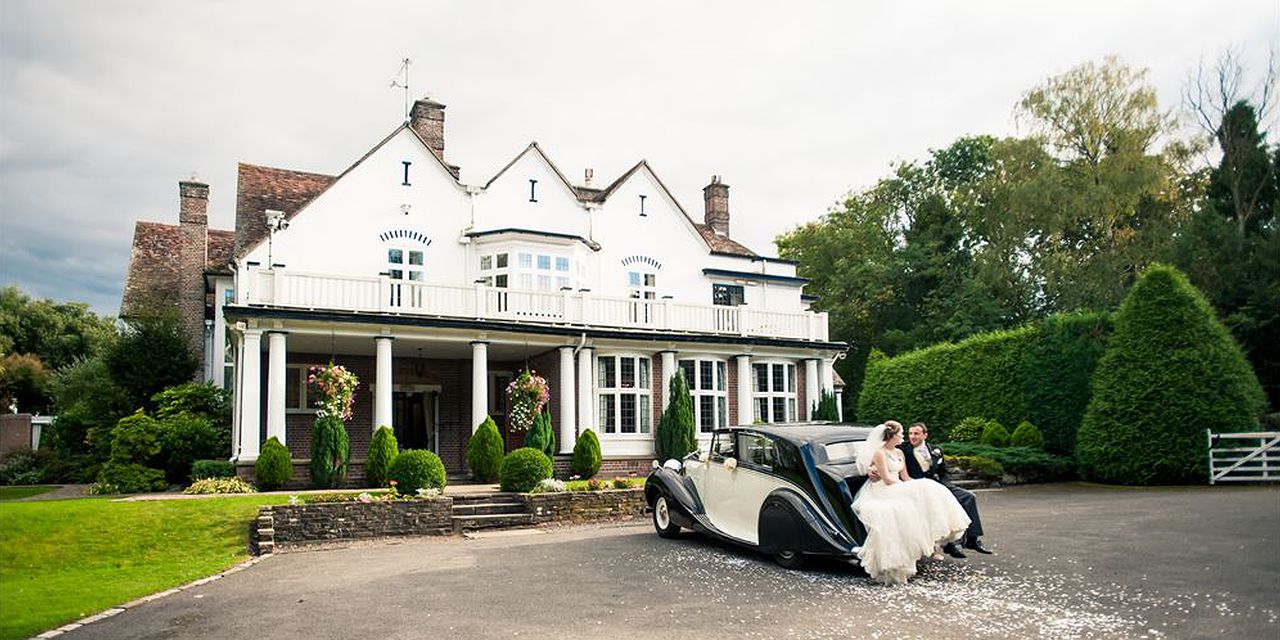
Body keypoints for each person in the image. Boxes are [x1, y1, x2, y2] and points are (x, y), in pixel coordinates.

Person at [851, 421, 971, 585]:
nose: (903, 436)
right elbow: (886, 479)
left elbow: (906, 477)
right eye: (900, 434)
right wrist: (910, 488)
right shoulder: (880, 453)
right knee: (905, 505)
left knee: (930, 488)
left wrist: (918, 486)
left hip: (897, 485)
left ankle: (937, 539)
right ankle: (897, 561)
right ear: (892, 436)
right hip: (881, 490)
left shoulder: (899, 453)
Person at [899, 422, 993, 556]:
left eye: (916, 433)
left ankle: (973, 539)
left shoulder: (937, 450)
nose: (912, 436)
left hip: (939, 485)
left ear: (925, 435)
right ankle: (949, 544)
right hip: (919, 488)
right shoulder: (903, 449)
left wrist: (947, 486)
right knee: (941, 506)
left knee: (968, 497)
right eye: (910, 433)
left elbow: (944, 473)